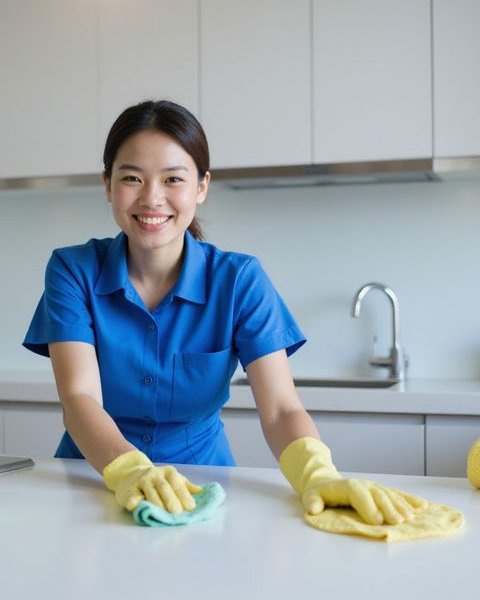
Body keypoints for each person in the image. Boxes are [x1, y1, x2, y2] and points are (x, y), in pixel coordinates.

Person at [23, 100, 425, 524]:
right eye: (132, 178)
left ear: (201, 186)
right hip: (92, 482)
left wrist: (318, 475)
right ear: (108, 185)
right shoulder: (73, 270)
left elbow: (281, 409)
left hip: (205, 484)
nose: (151, 198)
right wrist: (130, 470)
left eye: (173, 179)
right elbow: (80, 398)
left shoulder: (239, 279)